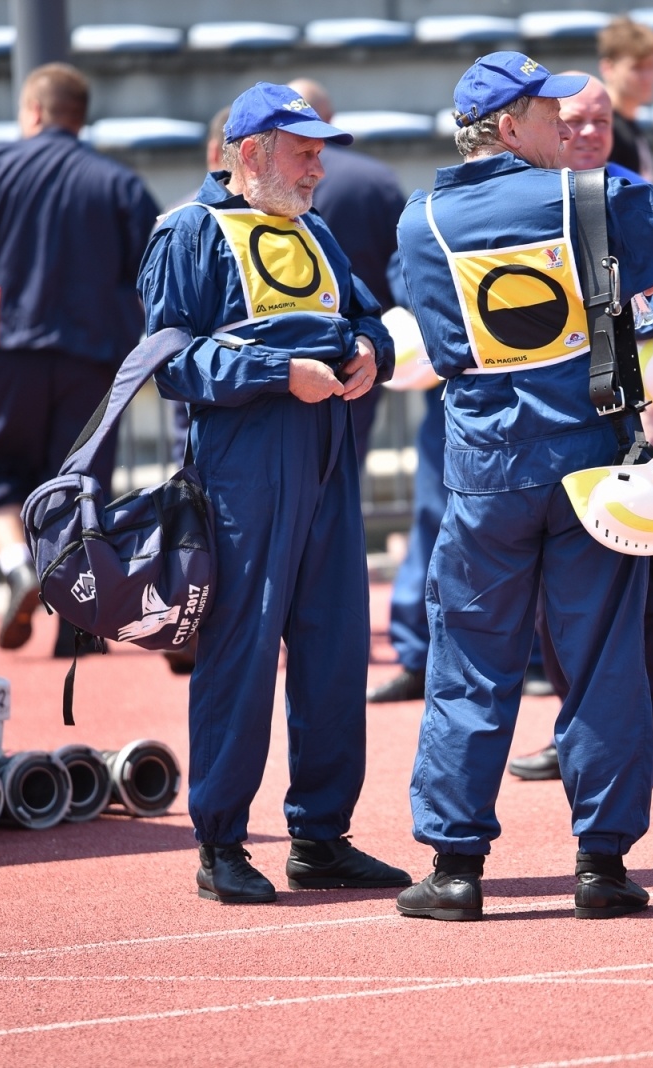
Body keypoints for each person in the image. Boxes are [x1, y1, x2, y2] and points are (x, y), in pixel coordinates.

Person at [394, 52, 653, 921]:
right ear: (511, 129)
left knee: (469, 662)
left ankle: (454, 868)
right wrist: (630, 295)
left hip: (485, 470)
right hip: (589, 460)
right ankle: (601, 865)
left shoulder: (419, 218)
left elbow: (443, 354)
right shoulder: (589, 195)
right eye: (549, 116)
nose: (571, 129)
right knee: (600, 664)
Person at [137, 82, 409, 904]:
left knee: (332, 655)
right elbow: (168, 360)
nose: (321, 168)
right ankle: (220, 843)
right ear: (249, 153)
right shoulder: (187, 231)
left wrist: (370, 351)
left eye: (321, 152)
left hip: (326, 453)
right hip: (245, 461)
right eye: (306, 152)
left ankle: (321, 837)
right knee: (242, 653)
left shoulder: (316, 230)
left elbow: (367, 316)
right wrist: (273, 372)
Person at [0, 63, 159, 656]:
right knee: (77, 486)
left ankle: (14, 566)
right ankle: (77, 625)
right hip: (93, 358)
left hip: (5, 352)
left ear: (32, 112)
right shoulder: (119, 183)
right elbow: (153, 275)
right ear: (80, 117)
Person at [503, 74, 653, 786]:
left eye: (600, 123)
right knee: (562, 605)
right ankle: (579, 735)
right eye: (572, 123)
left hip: (636, 435)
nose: (586, 136)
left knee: (643, 595)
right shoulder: (526, 206)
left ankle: (650, 737)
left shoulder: (629, 198)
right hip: (551, 437)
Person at [288, 79, 407, 455]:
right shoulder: (375, 181)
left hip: (279, 363)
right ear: (329, 119)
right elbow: (401, 267)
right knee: (344, 475)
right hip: (356, 357)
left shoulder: (251, 189)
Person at [598, 15, 653, 182]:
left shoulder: (631, 126)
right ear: (608, 68)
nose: (648, 77)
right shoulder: (604, 129)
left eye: (652, 66)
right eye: (637, 67)